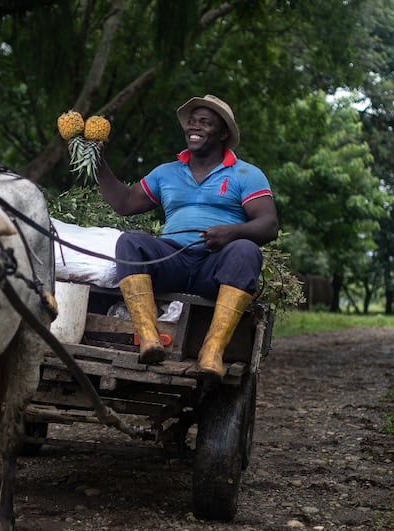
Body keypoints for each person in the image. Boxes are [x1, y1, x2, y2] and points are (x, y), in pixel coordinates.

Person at [94, 94, 280, 380]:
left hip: (215, 266)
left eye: (205, 123)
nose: (195, 127)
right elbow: (125, 203)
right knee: (130, 241)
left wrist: (232, 232)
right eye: (192, 122)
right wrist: (99, 162)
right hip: (173, 262)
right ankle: (149, 338)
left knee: (246, 250)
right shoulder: (167, 172)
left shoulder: (246, 174)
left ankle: (212, 352)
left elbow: (268, 225)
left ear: (223, 133)